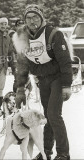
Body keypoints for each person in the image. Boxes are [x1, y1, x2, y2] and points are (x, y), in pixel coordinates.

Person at [15, 4, 72, 160]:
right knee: (47, 116)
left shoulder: (54, 34)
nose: (32, 21)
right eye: (29, 18)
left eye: (35, 17)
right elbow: (22, 66)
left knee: (54, 115)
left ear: (41, 18)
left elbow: (65, 61)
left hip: (58, 78)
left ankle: (63, 153)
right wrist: (20, 88)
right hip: (43, 80)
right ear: (25, 20)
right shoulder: (22, 37)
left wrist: (66, 85)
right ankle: (46, 152)